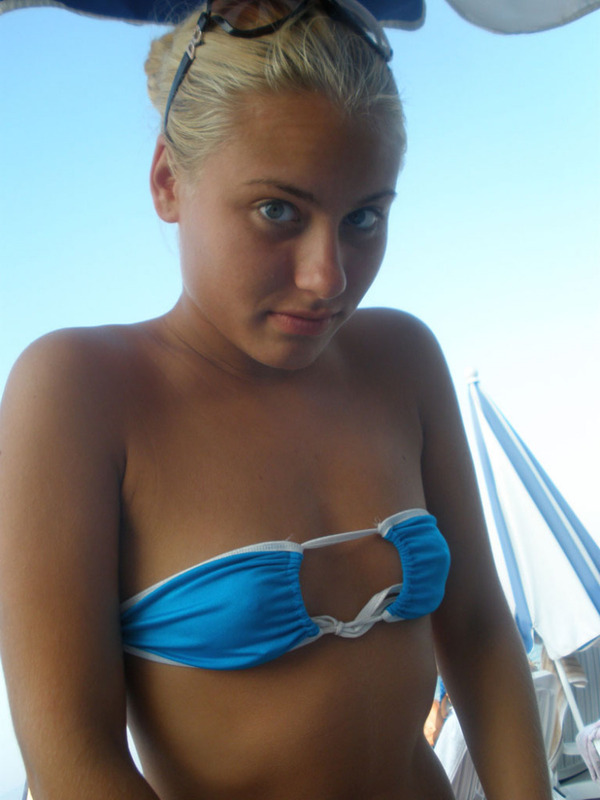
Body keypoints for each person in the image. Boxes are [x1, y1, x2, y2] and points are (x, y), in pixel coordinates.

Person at [0, 1, 553, 798]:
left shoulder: (402, 359)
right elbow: (73, 760)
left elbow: (476, 631)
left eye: (364, 217)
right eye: (277, 211)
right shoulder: (80, 391)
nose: (328, 278)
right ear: (167, 181)